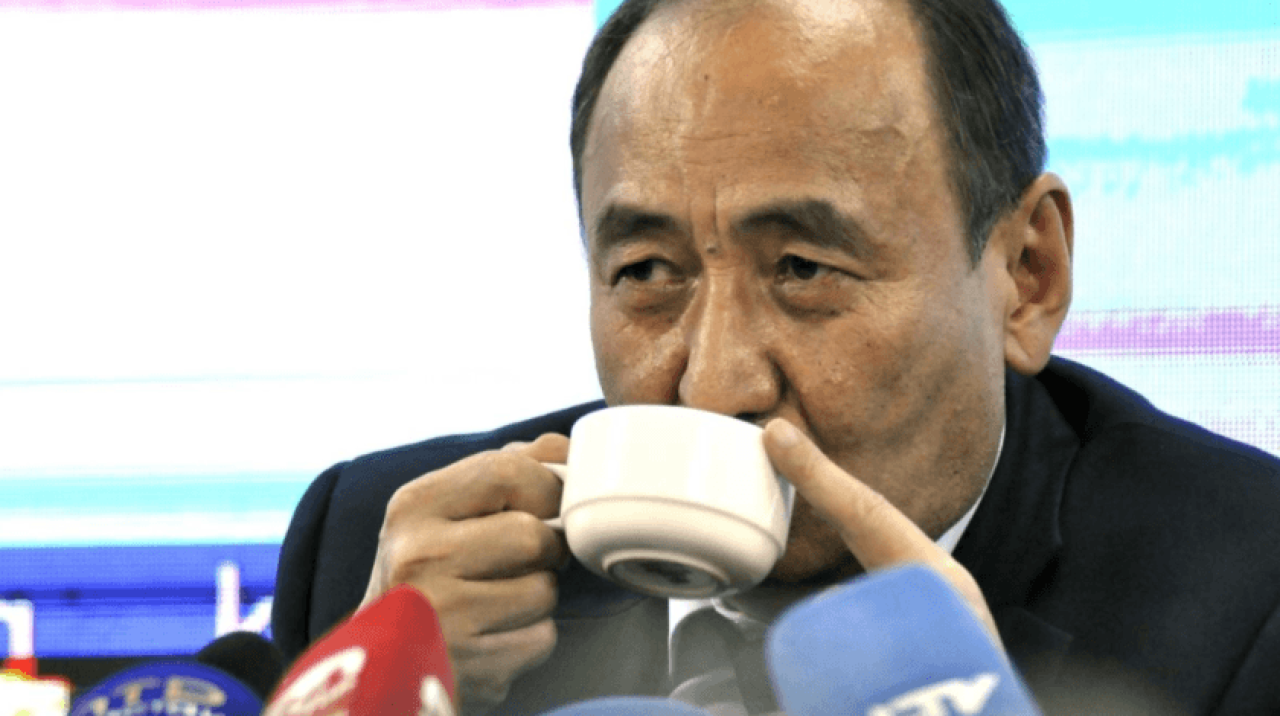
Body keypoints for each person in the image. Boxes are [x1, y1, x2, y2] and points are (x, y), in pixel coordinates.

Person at [271, 0, 1280, 713]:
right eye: (646, 272)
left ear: (1027, 274)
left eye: (802, 268)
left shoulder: (1248, 601)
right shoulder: (382, 572)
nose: (713, 386)